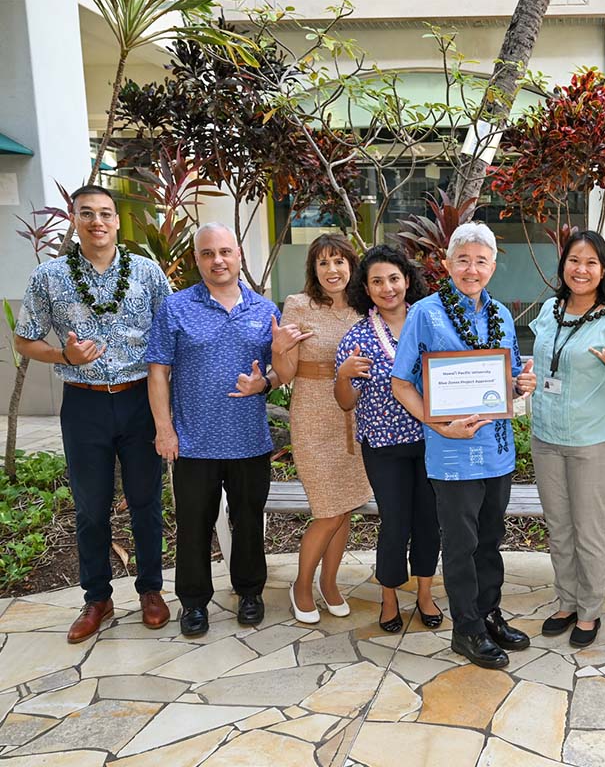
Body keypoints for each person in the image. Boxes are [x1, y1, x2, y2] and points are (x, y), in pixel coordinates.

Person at [14, 184, 172, 643]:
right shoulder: (49, 276)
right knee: (91, 506)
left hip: (140, 398)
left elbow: (169, 332)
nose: (98, 222)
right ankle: (97, 598)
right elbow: (23, 340)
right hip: (83, 404)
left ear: (117, 221)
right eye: (88, 214)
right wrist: (66, 358)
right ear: (74, 219)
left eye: (105, 213)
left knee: (146, 502)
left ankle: (151, 591)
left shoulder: (146, 271)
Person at [392, 221, 537, 669]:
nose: (471, 269)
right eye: (463, 260)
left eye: (480, 261)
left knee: (490, 541)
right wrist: (439, 423)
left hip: (496, 450)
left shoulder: (499, 316)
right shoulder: (425, 314)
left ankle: (489, 615)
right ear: (447, 263)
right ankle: (467, 631)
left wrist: (519, 385)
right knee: (459, 545)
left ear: (492, 266)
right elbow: (401, 384)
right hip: (451, 452)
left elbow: (502, 383)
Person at [146, 222, 282, 637]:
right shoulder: (175, 307)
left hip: (249, 440)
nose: (217, 260)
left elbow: (280, 368)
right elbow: (158, 371)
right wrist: (164, 430)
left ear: (239, 255)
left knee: (248, 520)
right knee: (193, 525)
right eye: (208, 253)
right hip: (193, 442)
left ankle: (249, 592)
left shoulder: (264, 310)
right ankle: (193, 603)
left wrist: (268, 381)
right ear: (197, 260)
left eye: (224, 252)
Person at [530, 231, 605, 648]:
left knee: (589, 529)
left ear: (603, 271)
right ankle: (567, 600)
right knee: (559, 527)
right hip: (546, 435)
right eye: (575, 260)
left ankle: (589, 611)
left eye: (591, 262)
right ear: (564, 266)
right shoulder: (548, 311)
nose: (581, 269)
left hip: (593, 441)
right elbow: (542, 366)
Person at [334, 245, 442, 632]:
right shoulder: (358, 336)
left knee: (429, 521)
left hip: (433, 440)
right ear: (366, 287)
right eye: (377, 281)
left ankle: (426, 593)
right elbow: (346, 403)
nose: (387, 287)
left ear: (407, 280)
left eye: (394, 278)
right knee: (395, 522)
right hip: (383, 445)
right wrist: (344, 375)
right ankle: (390, 596)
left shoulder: (430, 322)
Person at [271, 234, 373, 624]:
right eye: (323, 263)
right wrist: (279, 348)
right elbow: (284, 375)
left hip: (356, 415)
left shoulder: (365, 309)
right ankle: (302, 585)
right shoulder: (299, 306)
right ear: (313, 269)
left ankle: (330, 584)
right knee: (328, 511)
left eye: (339, 261)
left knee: (345, 508)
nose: (332, 270)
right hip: (313, 414)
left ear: (352, 264)